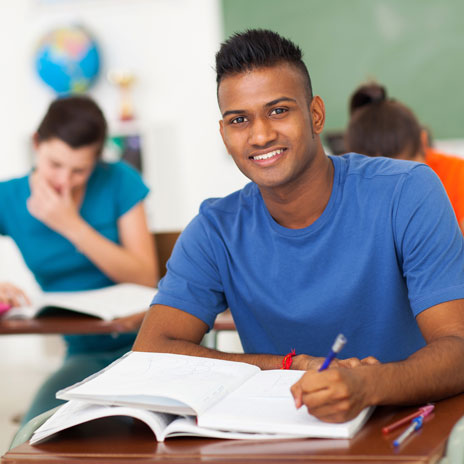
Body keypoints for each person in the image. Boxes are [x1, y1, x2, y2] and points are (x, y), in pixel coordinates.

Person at [133, 29, 464, 423]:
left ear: (316, 115)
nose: (261, 135)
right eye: (240, 120)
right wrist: (293, 365)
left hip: (408, 427)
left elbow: (457, 348)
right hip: (286, 431)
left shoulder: (407, 191)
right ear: (224, 135)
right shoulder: (215, 229)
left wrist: (368, 385)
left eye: (278, 110)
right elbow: (151, 350)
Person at [0, 95, 158, 422]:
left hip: (150, 344)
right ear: (36, 144)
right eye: (55, 165)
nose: (64, 181)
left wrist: (71, 225)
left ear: (97, 160)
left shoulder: (119, 180)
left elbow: (144, 276)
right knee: (32, 434)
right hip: (84, 354)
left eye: (79, 171)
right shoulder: (10, 197)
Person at [345, 82, 464, 232]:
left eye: (408, 176)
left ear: (423, 143)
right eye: (384, 184)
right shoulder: (347, 192)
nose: (399, 192)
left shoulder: (456, 173)